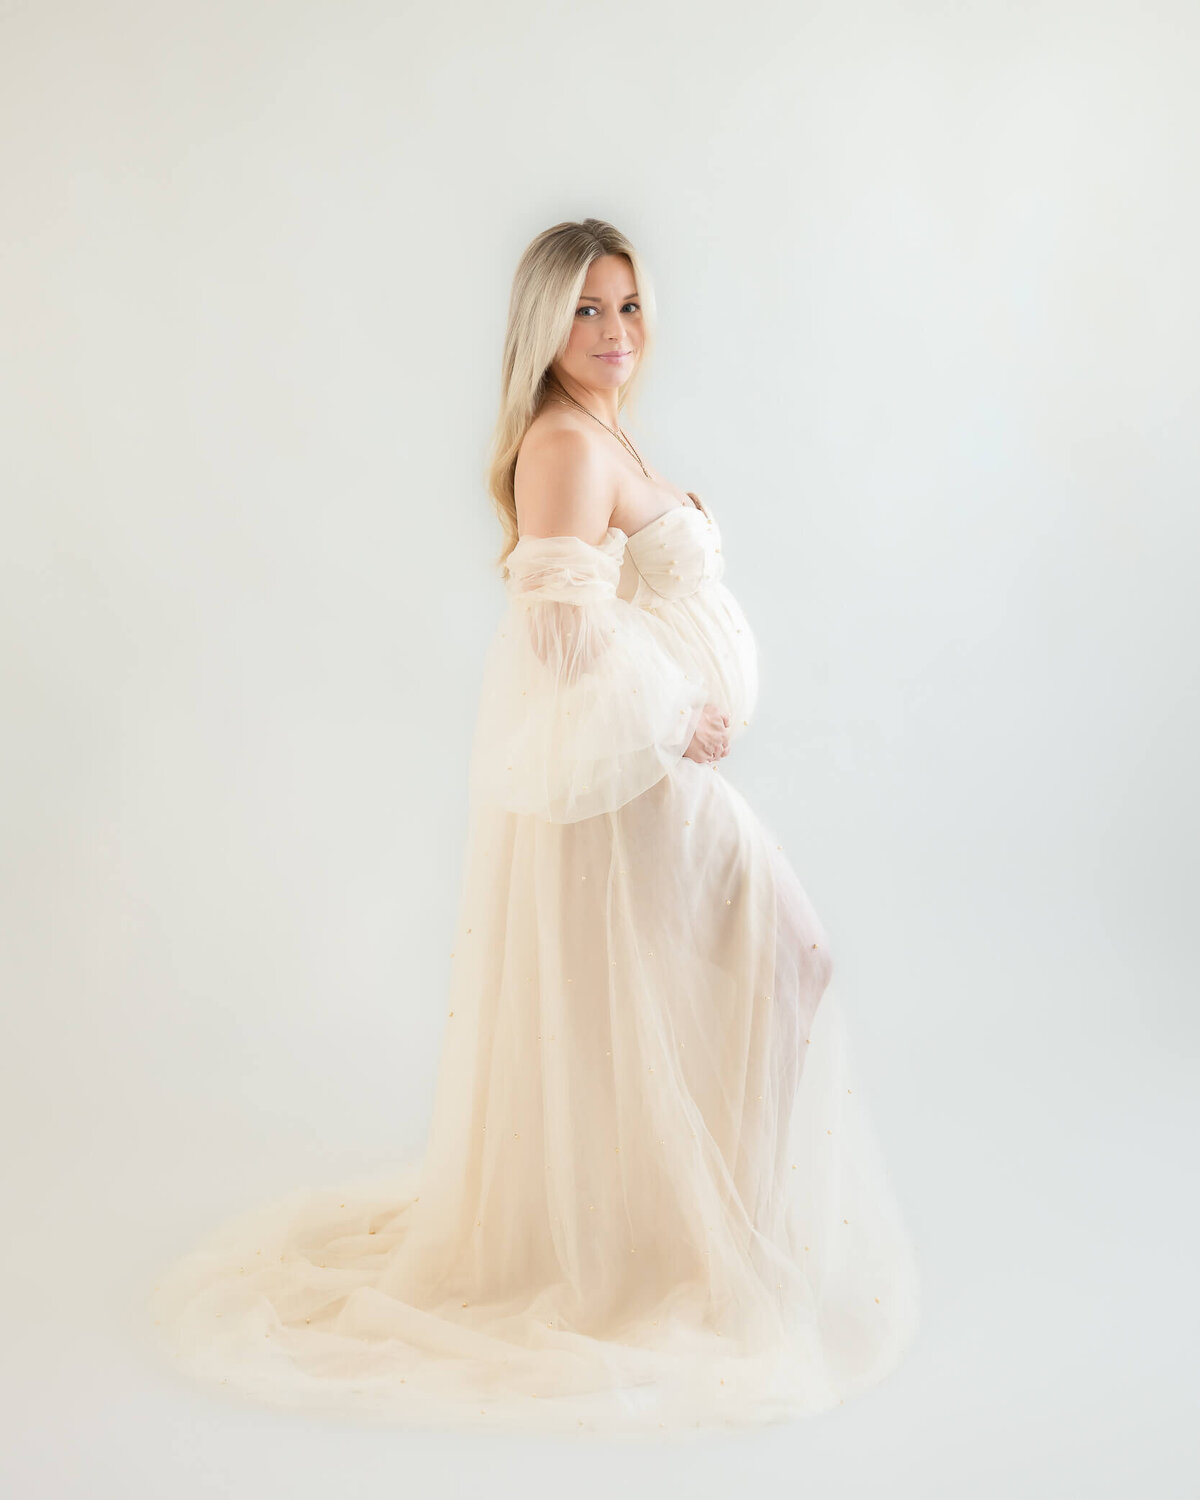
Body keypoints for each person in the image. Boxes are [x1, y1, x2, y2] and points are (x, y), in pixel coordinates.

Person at [149, 218, 920, 1435]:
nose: (612, 333)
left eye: (625, 307)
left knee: (741, 982)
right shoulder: (562, 442)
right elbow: (560, 633)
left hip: (647, 771)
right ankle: (718, 1249)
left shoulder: (606, 426)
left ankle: (716, 1231)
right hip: (635, 779)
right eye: (584, 312)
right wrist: (679, 718)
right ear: (541, 327)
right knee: (787, 958)